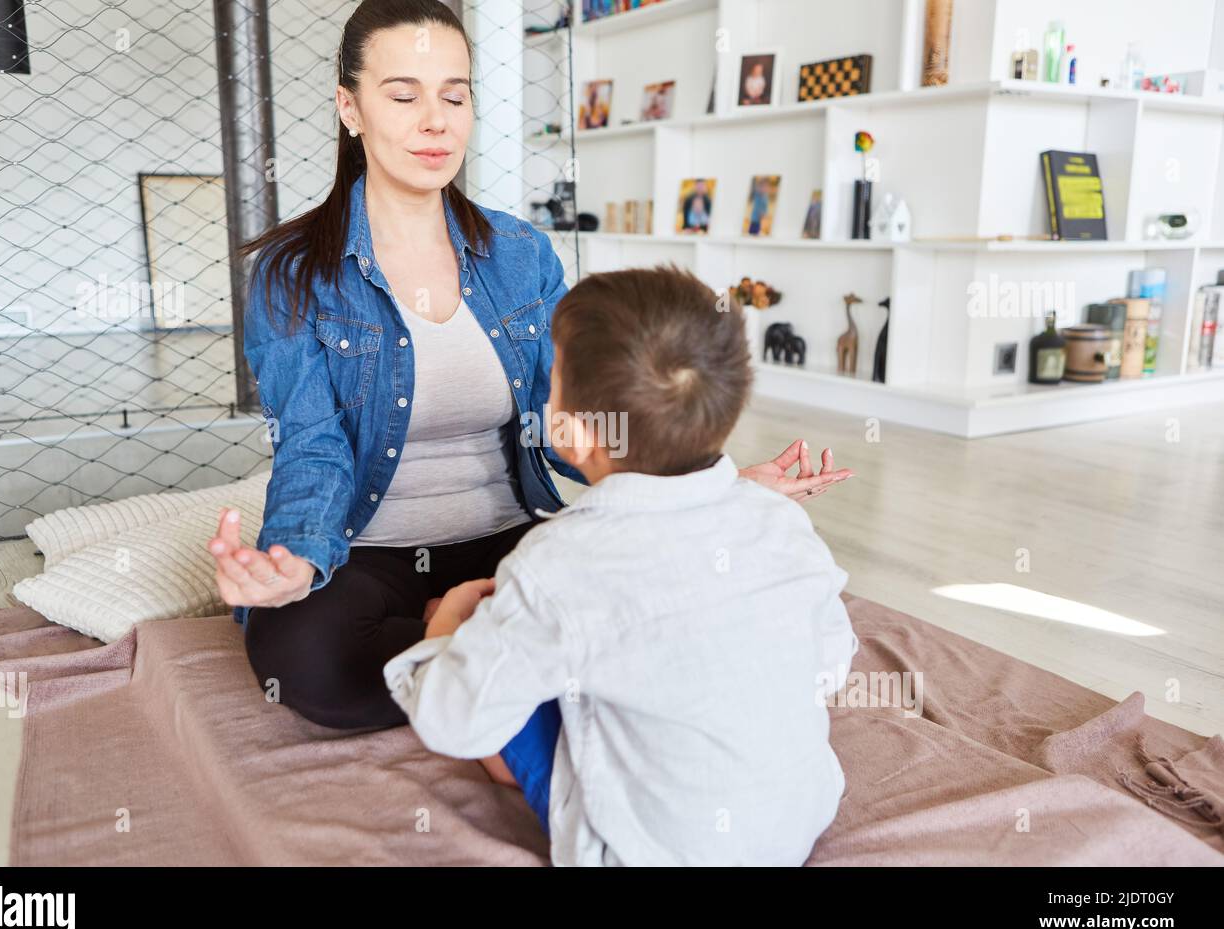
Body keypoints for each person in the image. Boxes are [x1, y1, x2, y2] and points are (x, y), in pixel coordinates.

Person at [206, 0, 852, 737]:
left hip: (515, 541)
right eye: (404, 95)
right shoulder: (292, 275)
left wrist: (702, 483)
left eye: (455, 95)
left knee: (670, 583)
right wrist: (293, 560)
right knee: (305, 662)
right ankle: (518, 658)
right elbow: (312, 447)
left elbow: (569, 420)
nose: (436, 121)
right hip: (370, 554)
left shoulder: (521, 255)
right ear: (350, 108)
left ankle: (472, 653)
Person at [383, 265, 859, 865]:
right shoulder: (780, 521)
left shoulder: (557, 561)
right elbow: (830, 663)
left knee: (492, 665)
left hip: (641, 851)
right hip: (796, 823)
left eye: (551, 377)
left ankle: (474, 668)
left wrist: (446, 631)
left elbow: (452, 724)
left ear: (576, 433)